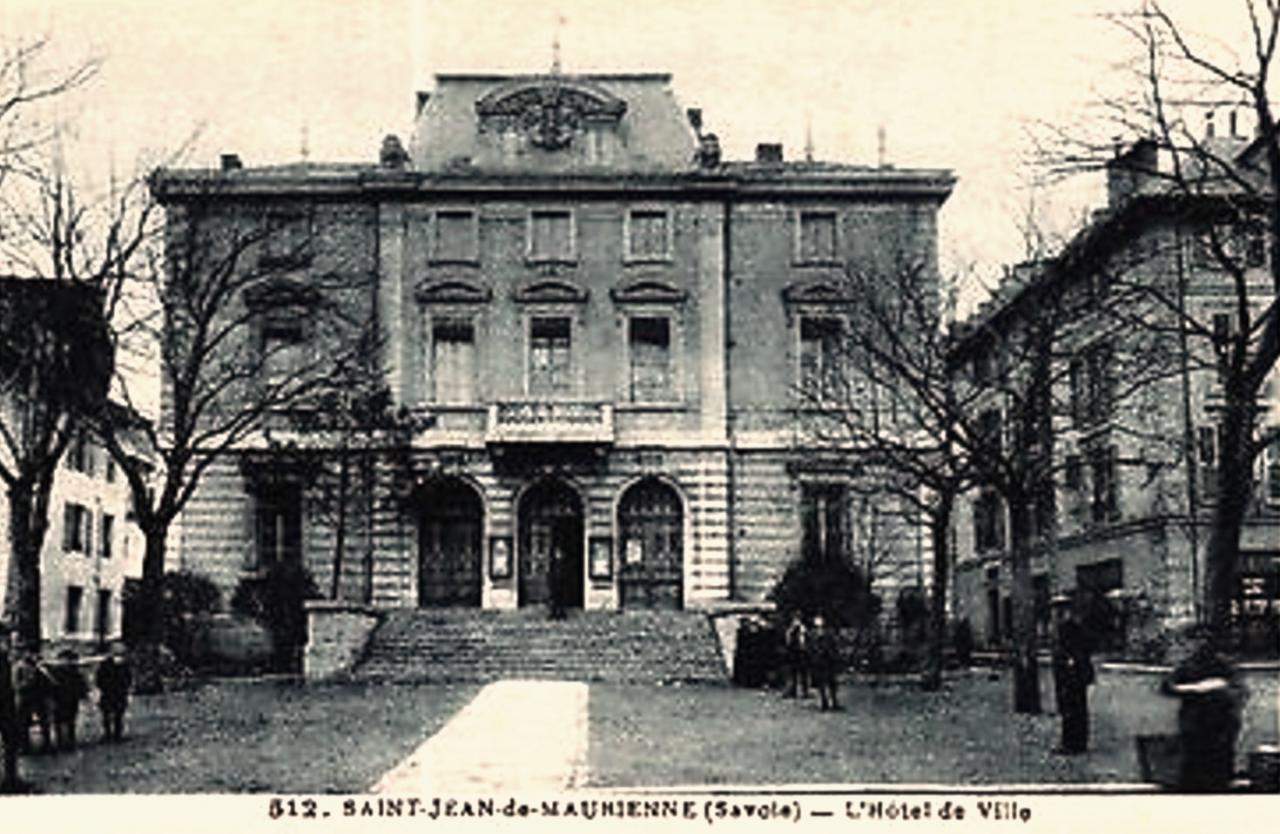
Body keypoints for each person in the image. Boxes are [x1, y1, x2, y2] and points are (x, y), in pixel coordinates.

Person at [1160, 630, 1244, 792]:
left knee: (1219, 763)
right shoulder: (1187, 665)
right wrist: (1196, 688)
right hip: (1195, 721)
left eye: (1204, 640)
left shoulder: (1223, 664)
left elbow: (1238, 689)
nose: (1200, 645)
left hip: (1221, 721)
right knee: (1194, 762)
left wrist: (1221, 688)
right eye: (1196, 640)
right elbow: (1167, 687)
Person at [1050, 597, 1094, 754]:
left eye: (1057, 610)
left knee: (1071, 709)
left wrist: (1071, 666)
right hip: (1075, 674)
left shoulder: (1067, 627)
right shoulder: (1073, 626)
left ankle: (1071, 743)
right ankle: (1077, 742)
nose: (1055, 613)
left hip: (1072, 675)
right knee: (1076, 708)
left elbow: (1074, 652)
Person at [12, 644, 54, 754]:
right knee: (23, 723)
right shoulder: (19, 666)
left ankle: (47, 744)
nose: (31, 655)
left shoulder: (41, 667)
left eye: (33, 653)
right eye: (28, 652)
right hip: (25, 698)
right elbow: (16, 684)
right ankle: (25, 746)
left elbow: (49, 682)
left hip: (39, 698)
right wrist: (28, 682)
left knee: (44, 722)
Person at [50, 649, 88, 751]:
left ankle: (70, 741)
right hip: (59, 699)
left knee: (70, 721)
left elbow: (81, 685)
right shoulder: (55, 672)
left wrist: (83, 695)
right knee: (58, 721)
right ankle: (60, 742)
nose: (65, 662)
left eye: (67, 660)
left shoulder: (75, 672)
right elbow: (50, 687)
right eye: (63, 660)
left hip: (71, 699)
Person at [95, 642, 133, 742]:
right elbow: (99, 679)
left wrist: (126, 689)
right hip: (108, 693)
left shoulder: (125, 666)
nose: (119, 656)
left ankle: (117, 734)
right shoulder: (105, 665)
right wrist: (104, 688)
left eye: (121, 654)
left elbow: (128, 678)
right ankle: (107, 734)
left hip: (120, 693)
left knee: (119, 715)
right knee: (106, 715)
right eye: (116, 653)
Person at [0, 624, 22, 792]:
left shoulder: (5, 658)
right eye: (6, 639)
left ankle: (11, 779)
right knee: (10, 741)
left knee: (12, 741)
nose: (9, 643)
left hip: (7, 706)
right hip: (4, 706)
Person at [809, 615, 842, 711]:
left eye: (820, 624)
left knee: (832, 682)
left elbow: (834, 646)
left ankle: (834, 702)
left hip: (829, 661)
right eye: (817, 625)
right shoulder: (812, 635)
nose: (819, 627)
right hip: (819, 662)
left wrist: (834, 656)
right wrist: (814, 657)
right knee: (821, 683)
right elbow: (811, 648)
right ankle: (824, 703)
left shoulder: (829, 634)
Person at [782, 612, 809, 698]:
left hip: (800, 653)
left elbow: (803, 641)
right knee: (793, 673)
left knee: (802, 673)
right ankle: (794, 691)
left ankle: (804, 691)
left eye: (797, 618)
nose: (795, 620)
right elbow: (788, 640)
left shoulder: (802, 629)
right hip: (794, 653)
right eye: (794, 619)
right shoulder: (790, 629)